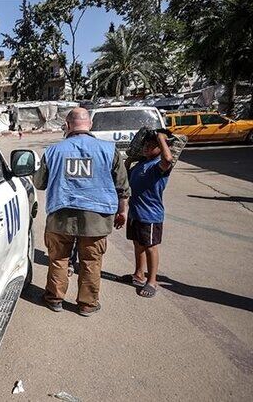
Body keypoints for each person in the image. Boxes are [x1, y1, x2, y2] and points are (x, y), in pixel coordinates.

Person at [33, 108, 130, 317]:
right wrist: (123, 211)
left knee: (59, 258)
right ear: (90, 125)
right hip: (97, 216)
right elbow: (122, 186)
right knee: (91, 261)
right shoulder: (109, 150)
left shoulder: (53, 151)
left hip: (60, 214)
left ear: (67, 126)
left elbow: (39, 183)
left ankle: (54, 298)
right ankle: (87, 304)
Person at [121, 130, 173, 298]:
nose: (146, 148)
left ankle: (152, 281)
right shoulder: (141, 164)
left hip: (150, 214)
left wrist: (160, 138)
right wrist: (129, 160)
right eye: (145, 145)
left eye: (152, 146)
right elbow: (124, 178)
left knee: (150, 247)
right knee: (138, 244)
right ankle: (138, 274)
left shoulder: (159, 166)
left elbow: (168, 159)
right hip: (135, 213)